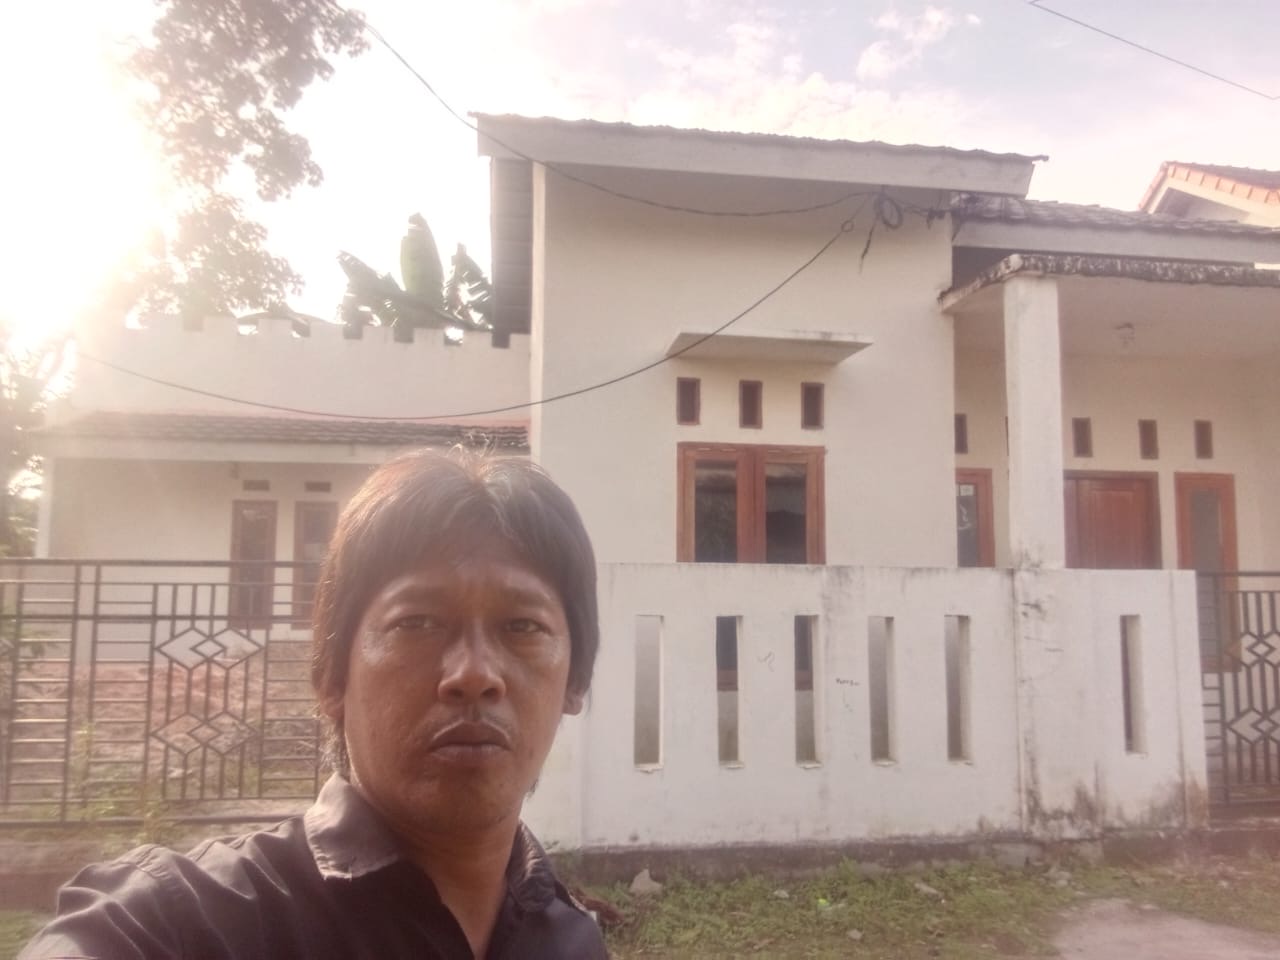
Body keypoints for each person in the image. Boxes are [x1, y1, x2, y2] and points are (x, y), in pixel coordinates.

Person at [22, 451, 608, 959]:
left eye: (522, 626)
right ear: (331, 677)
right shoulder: (178, 922)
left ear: (574, 682)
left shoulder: (572, 939)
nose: (475, 674)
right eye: (418, 622)